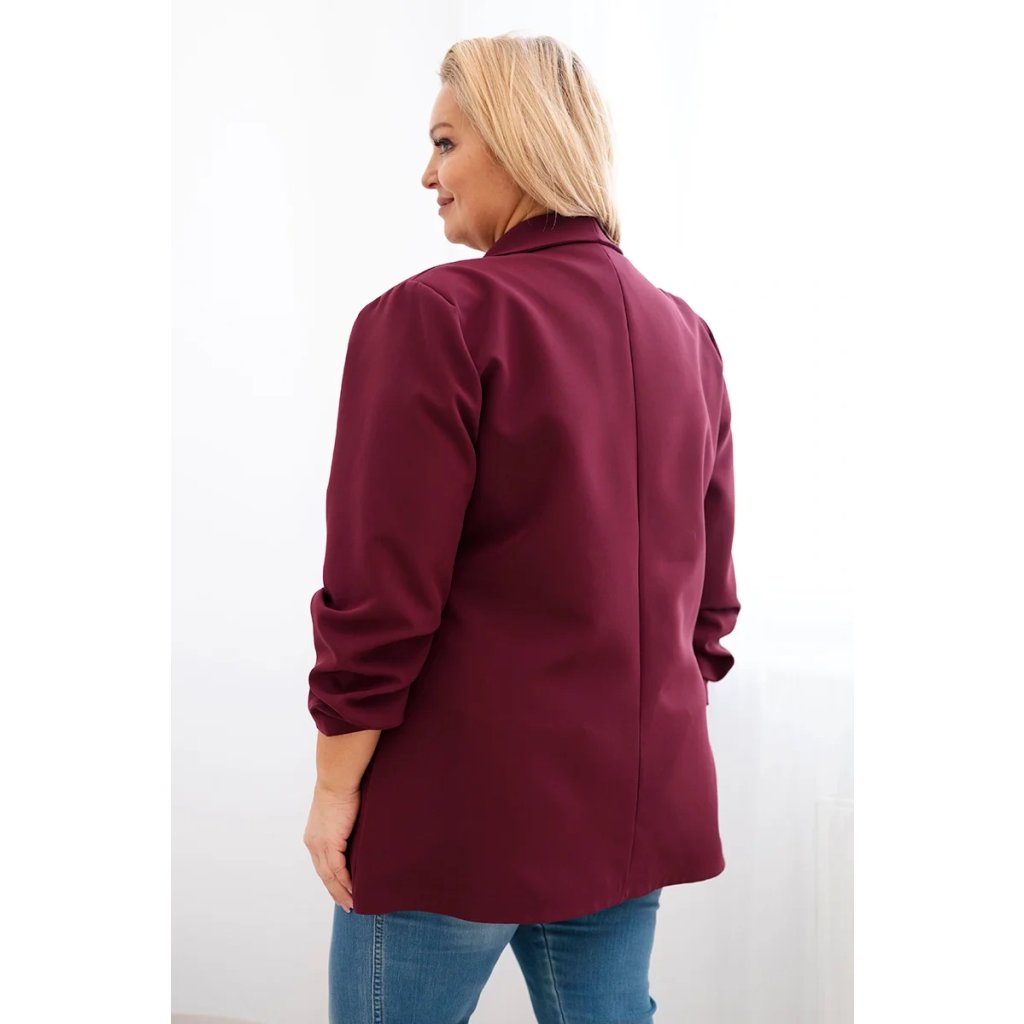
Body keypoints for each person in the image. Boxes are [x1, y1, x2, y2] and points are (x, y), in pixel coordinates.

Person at [302, 32, 740, 1024]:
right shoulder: (687, 335)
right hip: (627, 807)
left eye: (446, 142)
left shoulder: (433, 317)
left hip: (459, 808)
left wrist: (333, 790)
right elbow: (708, 609)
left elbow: (380, 601)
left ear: (518, 139)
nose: (428, 175)